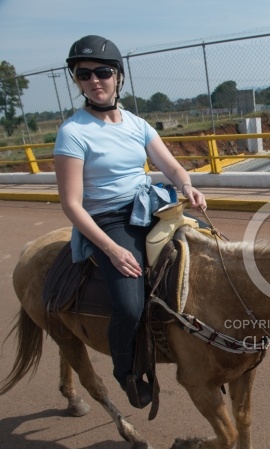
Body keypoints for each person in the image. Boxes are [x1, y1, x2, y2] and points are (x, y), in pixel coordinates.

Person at [53, 35, 207, 409]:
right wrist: (111, 247)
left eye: (103, 72)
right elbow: (72, 205)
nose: (95, 80)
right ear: (76, 81)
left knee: (211, 254)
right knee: (128, 306)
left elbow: (169, 165)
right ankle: (128, 372)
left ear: (118, 77)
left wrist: (187, 185)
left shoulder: (137, 124)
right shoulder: (72, 133)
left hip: (152, 205)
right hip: (109, 220)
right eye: (84, 74)